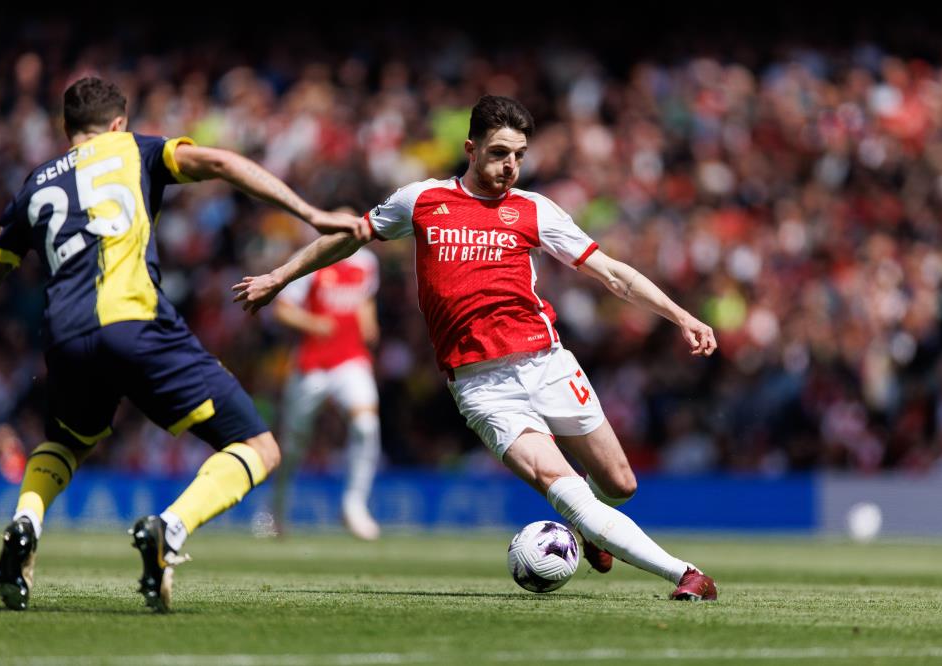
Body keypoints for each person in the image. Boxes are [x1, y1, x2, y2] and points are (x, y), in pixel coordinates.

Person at [234, 95, 719, 600]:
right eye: (499, 152)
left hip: (548, 363)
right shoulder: (421, 200)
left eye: (519, 155)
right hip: (482, 386)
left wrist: (681, 316)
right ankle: (686, 575)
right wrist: (280, 275)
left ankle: (592, 531)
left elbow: (614, 274)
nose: (510, 165)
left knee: (620, 485)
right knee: (565, 488)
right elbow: (349, 237)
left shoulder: (534, 210)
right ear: (471, 148)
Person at [0, 76, 367, 612]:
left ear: (66, 130)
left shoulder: (35, 185)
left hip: (64, 337)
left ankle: (26, 521)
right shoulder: (137, 149)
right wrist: (313, 215)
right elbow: (223, 163)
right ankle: (170, 529)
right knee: (257, 447)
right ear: (118, 123)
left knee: (67, 442)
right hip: (135, 321)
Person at [271, 242, 382, 540]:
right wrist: (314, 323)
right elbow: (283, 309)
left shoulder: (367, 261)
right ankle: (277, 509)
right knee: (293, 444)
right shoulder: (310, 260)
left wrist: (369, 321)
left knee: (366, 426)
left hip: (351, 359)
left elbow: (366, 298)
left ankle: (354, 504)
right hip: (313, 365)